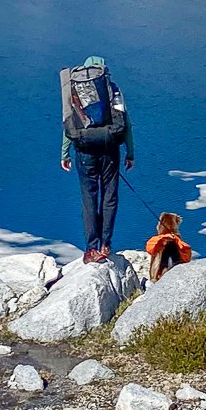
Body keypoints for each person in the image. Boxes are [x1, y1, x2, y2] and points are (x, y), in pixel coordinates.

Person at [59, 55, 134, 264]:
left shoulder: (76, 90)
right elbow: (126, 123)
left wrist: (65, 154)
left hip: (84, 153)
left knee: (89, 200)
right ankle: (105, 245)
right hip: (110, 151)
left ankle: (91, 249)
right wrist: (130, 153)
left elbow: (69, 123)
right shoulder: (112, 89)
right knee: (109, 197)